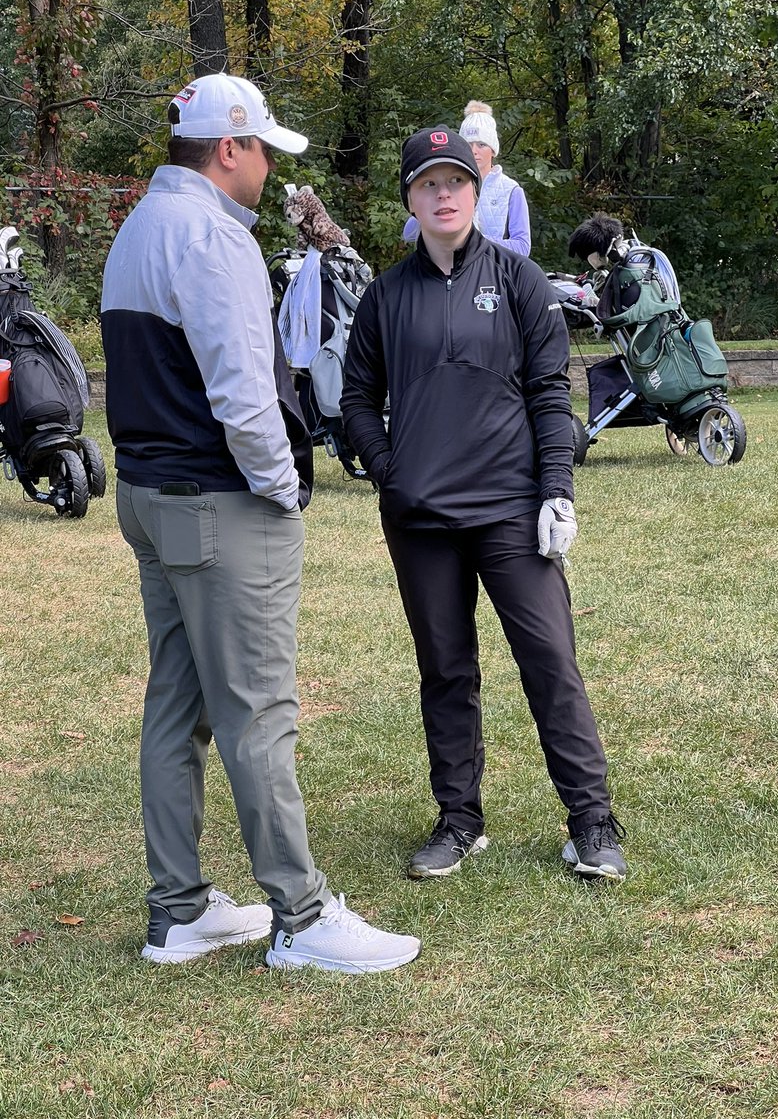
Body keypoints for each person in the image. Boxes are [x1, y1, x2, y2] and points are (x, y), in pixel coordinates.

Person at [100, 73, 420, 973]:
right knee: (257, 712)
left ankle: (179, 910)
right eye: (264, 152)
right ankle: (301, 916)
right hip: (219, 503)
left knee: (179, 702)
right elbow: (244, 395)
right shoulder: (213, 237)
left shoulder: (140, 226)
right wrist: (283, 489)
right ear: (228, 148)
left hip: (151, 498)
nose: (272, 171)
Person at [341, 126, 626, 882]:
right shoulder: (386, 294)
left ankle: (592, 823)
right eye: (429, 183)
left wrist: (556, 491)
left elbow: (548, 391)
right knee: (446, 669)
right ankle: (459, 818)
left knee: (550, 662)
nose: (444, 194)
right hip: (420, 516)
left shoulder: (520, 278)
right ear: (410, 197)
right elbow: (357, 399)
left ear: (478, 189)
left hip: (510, 508)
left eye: (456, 181)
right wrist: (387, 469)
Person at [402, 101, 531, 256]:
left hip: (495, 273)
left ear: (493, 150)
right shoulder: (447, 187)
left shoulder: (511, 190)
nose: (474, 151)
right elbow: (408, 234)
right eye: (469, 145)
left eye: (482, 144)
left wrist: (472, 240)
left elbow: (523, 247)